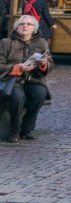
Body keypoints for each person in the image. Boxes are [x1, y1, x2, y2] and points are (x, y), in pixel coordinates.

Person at [0, 15, 54, 143]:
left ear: (34, 29)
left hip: (33, 79)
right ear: (16, 28)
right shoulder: (6, 43)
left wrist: (43, 64)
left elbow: (50, 63)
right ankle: (14, 131)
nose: (25, 26)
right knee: (18, 97)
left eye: (28, 24)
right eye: (21, 24)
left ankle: (27, 129)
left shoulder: (41, 43)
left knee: (40, 93)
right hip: (12, 81)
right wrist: (16, 67)